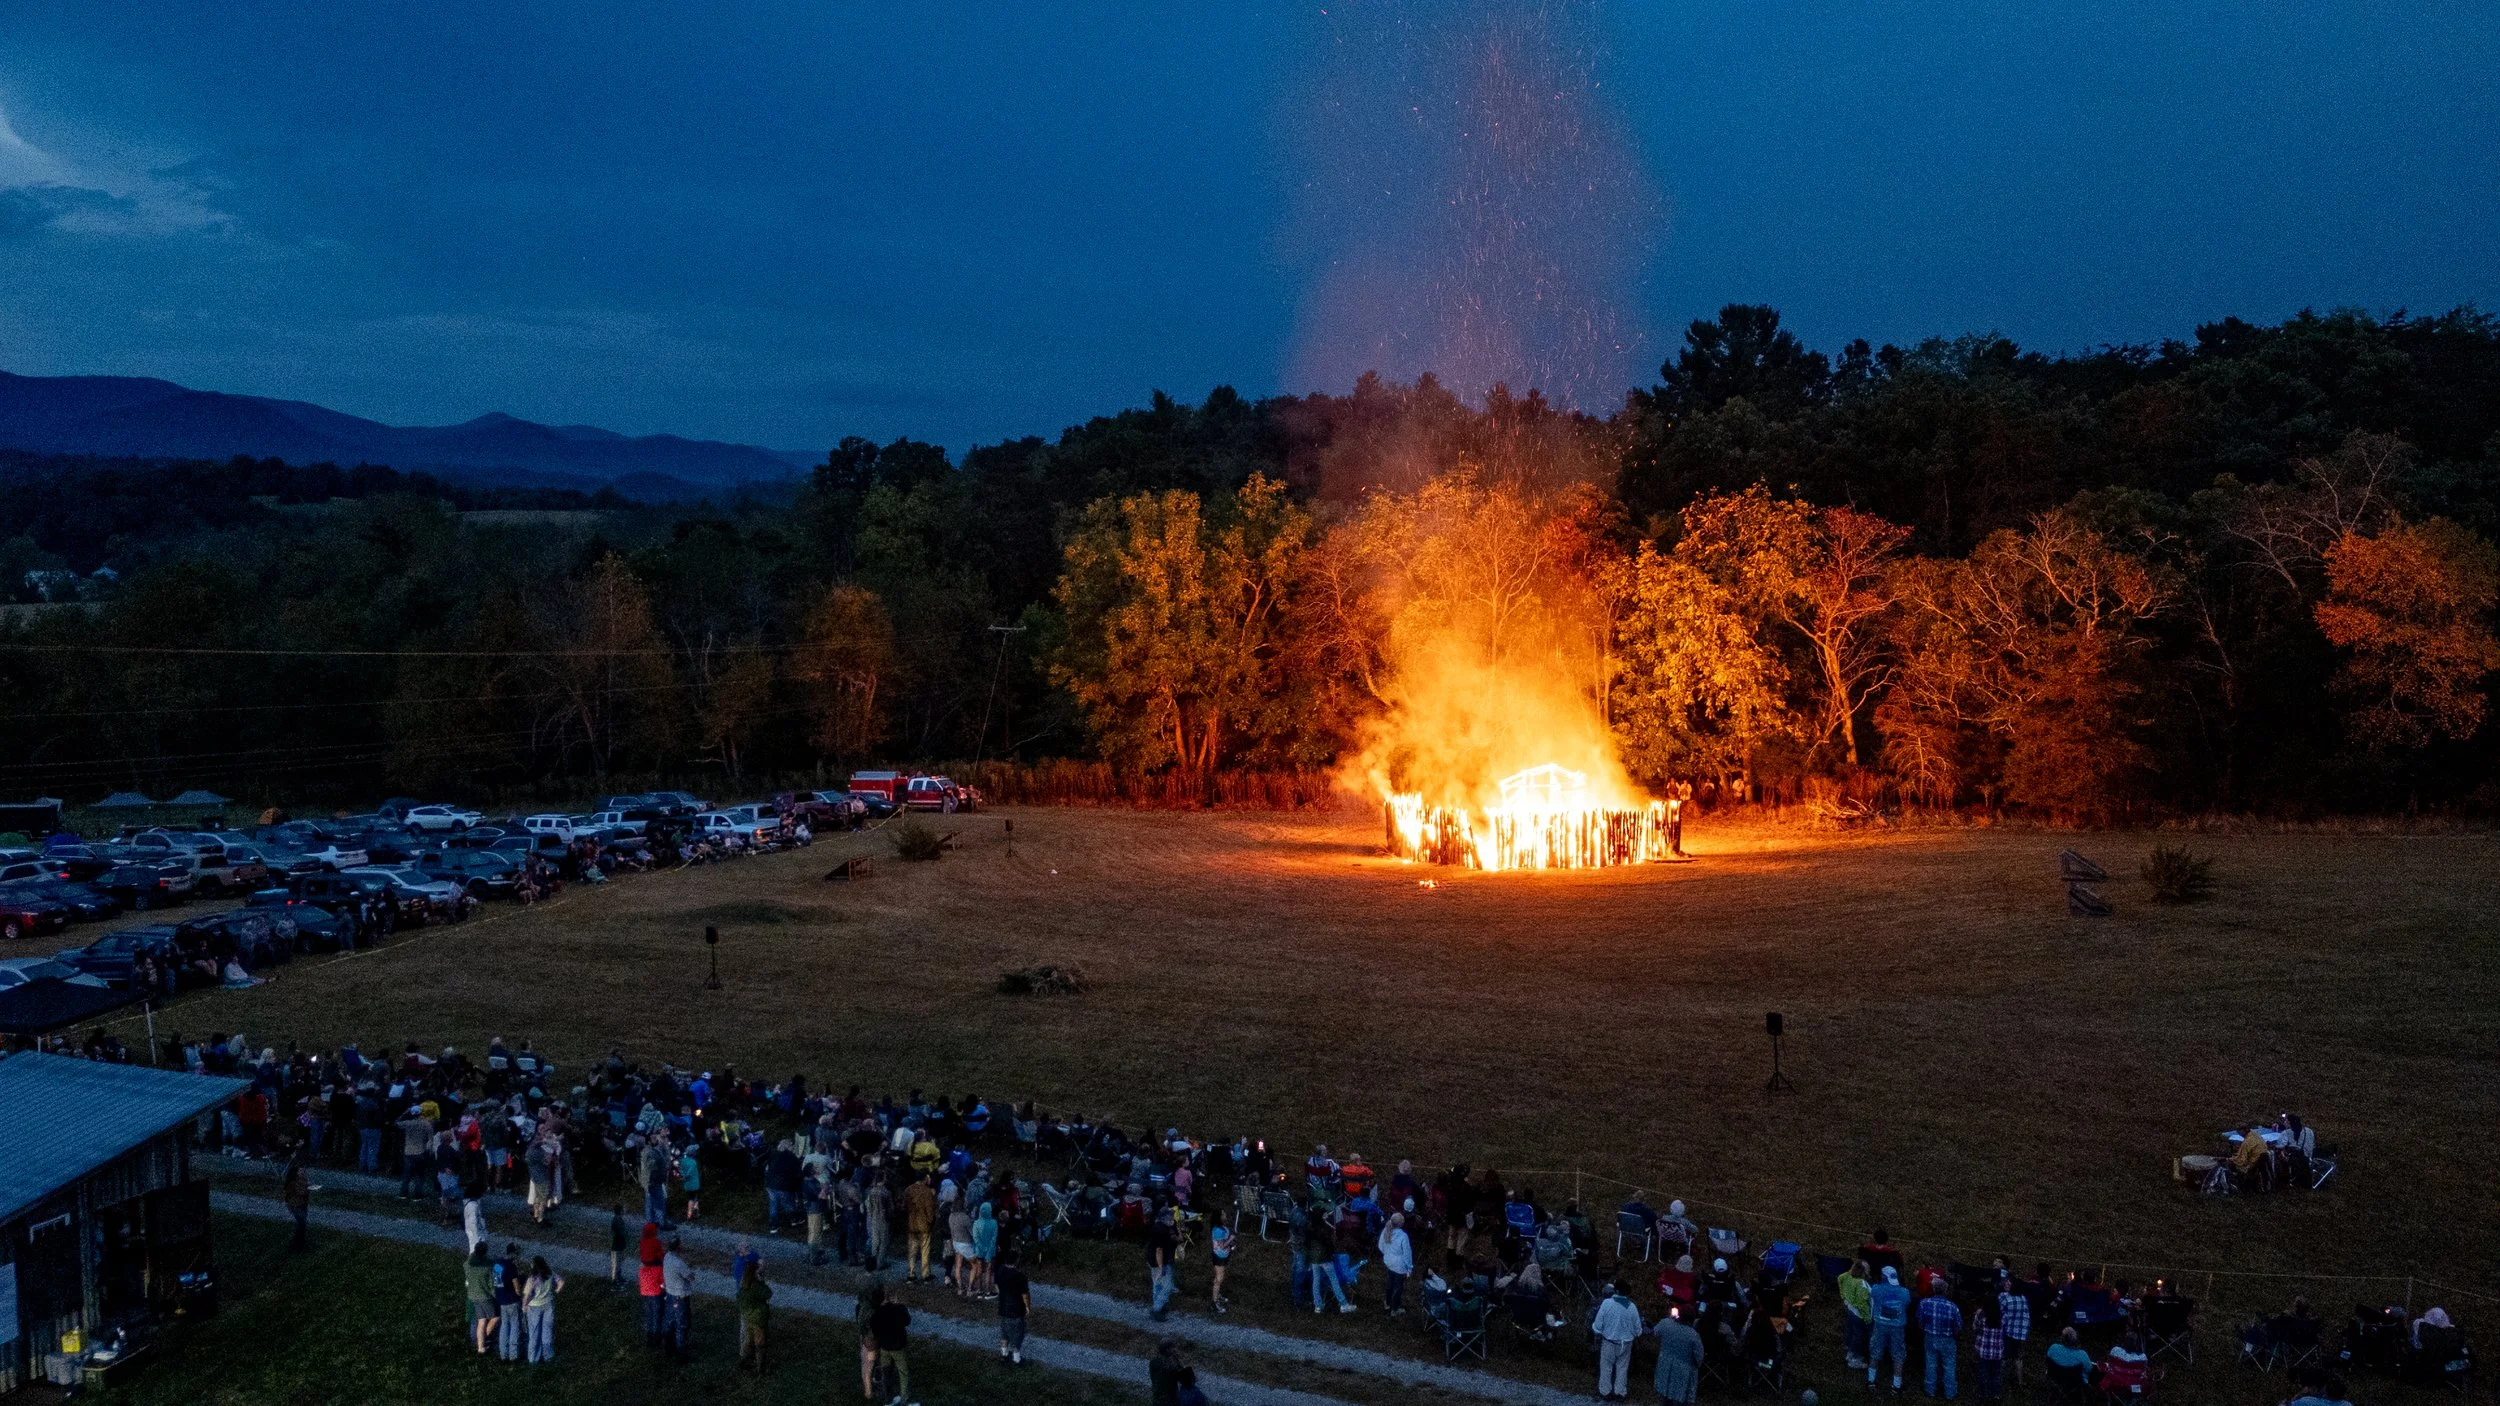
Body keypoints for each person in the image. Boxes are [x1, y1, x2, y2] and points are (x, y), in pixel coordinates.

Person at [1593, 1281, 1644, 1402]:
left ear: (1615, 1290)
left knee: (1606, 1368)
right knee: (1622, 1368)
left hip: (1609, 1342)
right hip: (1626, 1344)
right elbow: (1638, 1330)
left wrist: (1597, 1331)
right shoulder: (1632, 1307)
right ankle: (1620, 1392)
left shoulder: (1607, 1303)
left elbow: (1597, 1325)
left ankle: (1605, 1392)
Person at [1868, 1265, 1912, 1391]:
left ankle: (1871, 1380)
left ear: (1883, 1276)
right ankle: (1896, 1386)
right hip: (1897, 1327)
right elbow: (1907, 1303)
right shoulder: (1904, 1292)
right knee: (1898, 1355)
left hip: (1880, 1325)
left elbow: (1872, 1297)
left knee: (1875, 1351)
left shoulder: (1876, 1289)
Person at [867, 1286, 913, 1405]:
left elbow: (875, 1332)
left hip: (884, 1347)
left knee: (886, 1373)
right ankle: (905, 1399)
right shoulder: (898, 1309)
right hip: (898, 1347)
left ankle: (887, 1399)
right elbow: (907, 1321)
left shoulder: (875, 1314)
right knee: (903, 1373)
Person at [1918, 1276, 1962, 1398]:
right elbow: (1958, 1327)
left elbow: (1920, 1323)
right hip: (1948, 1339)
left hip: (1930, 1337)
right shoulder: (1953, 1307)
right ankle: (1950, 1393)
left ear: (1933, 1289)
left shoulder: (1924, 1303)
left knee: (1930, 1363)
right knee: (1949, 1365)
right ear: (1946, 1291)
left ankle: (1929, 1390)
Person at [1654, 1305, 1706, 1404]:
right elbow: (1699, 1357)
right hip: (1683, 1370)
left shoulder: (1666, 1323)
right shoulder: (1693, 1335)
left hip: (1665, 1365)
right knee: (1680, 1397)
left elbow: (1655, 1332)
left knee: (1666, 1397)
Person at [523, 1254, 563, 1362]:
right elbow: (560, 1282)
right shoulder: (550, 1273)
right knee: (547, 1331)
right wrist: (556, 1291)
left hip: (534, 1306)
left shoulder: (532, 1279)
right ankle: (548, 1356)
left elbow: (527, 1295)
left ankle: (533, 1359)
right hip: (548, 1303)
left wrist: (524, 1306)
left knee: (534, 1333)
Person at [660, 1236, 694, 1362]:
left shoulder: (667, 1257)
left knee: (669, 1322)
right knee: (681, 1325)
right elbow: (690, 1277)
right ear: (679, 1247)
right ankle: (681, 1355)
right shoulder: (679, 1263)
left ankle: (668, 1349)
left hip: (669, 1295)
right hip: (680, 1297)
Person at [996, 1247, 1031, 1365]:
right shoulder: (1020, 1276)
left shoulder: (1000, 1270)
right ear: (1016, 1261)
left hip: (1003, 1308)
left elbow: (997, 1286)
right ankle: (1017, 1359)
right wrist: (1027, 1307)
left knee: (1004, 1333)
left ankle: (1004, 1355)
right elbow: (1025, 1295)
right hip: (1016, 1310)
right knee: (1017, 1335)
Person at [737, 1261, 773, 1372]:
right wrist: (762, 1282)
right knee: (760, 1344)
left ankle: (744, 1361)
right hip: (758, 1319)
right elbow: (768, 1293)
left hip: (747, 1318)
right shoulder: (756, 1286)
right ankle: (760, 1368)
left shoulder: (743, 1285)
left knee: (748, 1341)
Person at [1147, 1204, 1180, 1320]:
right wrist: (1161, 1268)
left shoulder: (1161, 1226)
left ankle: (1158, 1307)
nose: (1172, 1217)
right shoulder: (1161, 1230)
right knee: (1167, 1287)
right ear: (1164, 1217)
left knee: (1157, 1285)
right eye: (1170, 1215)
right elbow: (1159, 1250)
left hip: (1156, 1260)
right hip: (1160, 1261)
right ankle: (1157, 1310)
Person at [495, 1241, 526, 1361]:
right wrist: (521, 1295)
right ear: (514, 1253)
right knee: (514, 1326)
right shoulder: (511, 1266)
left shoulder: (497, 1264)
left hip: (501, 1299)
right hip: (512, 1300)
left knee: (504, 1326)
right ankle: (513, 1355)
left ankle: (503, 1353)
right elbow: (517, 1287)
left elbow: (497, 1282)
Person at [1839, 1257, 1873, 1368]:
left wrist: (1843, 1296)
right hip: (1859, 1315)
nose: (1869, 1270)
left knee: (1851, 1332)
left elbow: (1840, 1278)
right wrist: (1868, 1319)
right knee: (1858, 1336)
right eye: (1867, 1269)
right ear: (1862, 1271)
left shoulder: (1848, 1276)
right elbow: (1862, 1304)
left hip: (1850, 1310)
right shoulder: (1861, 1284)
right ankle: (1854, 1359)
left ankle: (1849, 1352)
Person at [904, 1174, 938, 1283]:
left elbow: (904, 1206)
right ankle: (925, 1274)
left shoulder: (908, 1190)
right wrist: (931, 1221)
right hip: (924, 1225)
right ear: (925, 1179)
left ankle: (911, 1273)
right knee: (925, 1250)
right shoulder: (927, 1192)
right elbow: (930, 1210)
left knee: (912, 1250)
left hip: (912, 1223)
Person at [465, 1242, 498, 1355]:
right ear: (485, 1252)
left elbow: (466, 1263)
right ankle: (484, 1338)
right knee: (495, 1318)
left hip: (473, 1295)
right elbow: (492, 1284)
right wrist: (496, 1296)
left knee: (481, 1320)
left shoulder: (468, 1264)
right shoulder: (488, 1266)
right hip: (485, 1296)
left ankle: (481, 1347)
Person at [1378, 1211, 1413, 1316]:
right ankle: (1395, 1308)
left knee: (1390, 1283)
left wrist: (1387, 1253)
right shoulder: (1403, 1236)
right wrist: (1409, 1267)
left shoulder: (1386, 1230)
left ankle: (1387, 1303)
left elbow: (1380, 1245)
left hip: (1389, 1262)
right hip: (1399, 1266)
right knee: (1398, 1287)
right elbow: (1407, 1253)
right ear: (1401, 1224)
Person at [638, 1222, 667, 1346]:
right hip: (656, 1292)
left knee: (649, 1313)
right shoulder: (658, 1268)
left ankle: (649, 1336)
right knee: (657, 1314)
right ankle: (657, 1337)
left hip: (645, 1291)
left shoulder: (642, 1269)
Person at [1971, 1302, 2006, 1402]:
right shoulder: (2003, 1317)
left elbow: (1975, 1329)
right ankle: (1995, 1395)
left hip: (1983, 1351)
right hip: (1998, 1352)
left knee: (1983, 1374)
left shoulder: (1980, 1316)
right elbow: (2006, 1330)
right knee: (1996, 1374)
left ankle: (1983, 1395)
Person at [283, 1153, 313, 1249]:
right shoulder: (293, 1183)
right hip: (296, 1205)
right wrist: (308, 1188)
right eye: (301, 1171)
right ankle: (295, 1242)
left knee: (302, 1223)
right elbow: (300, 1192)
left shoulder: (303, 1180)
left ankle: (299, 1241)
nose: (304, 1172)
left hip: (302, 1204)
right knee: (300, 1223)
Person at [971, 1201, 1000, 1299]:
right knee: (988, 1272)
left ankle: (979, 1291)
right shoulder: (994, 1223)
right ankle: (987, 1292)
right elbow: (993, 1239)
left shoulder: (976, 1223)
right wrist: (988, 1252)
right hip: (990, 1252)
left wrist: (982, 1248)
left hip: (979, 1251)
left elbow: (976, 1238)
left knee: (979, 1271)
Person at [1207, 1221, 1235, 1313]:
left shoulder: (1222, 1226)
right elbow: (1222, 1246)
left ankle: (1217, 1295)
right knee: (1219, 1279)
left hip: (1222, 1256)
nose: (1225, 1215)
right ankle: (1214, 1303)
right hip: (1219, 1257)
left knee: (1218, 1278)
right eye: (1223, 1214)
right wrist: (1231, 1239)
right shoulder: (1218, 1230)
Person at [1150, 1337, 1184, 1406]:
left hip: (1157, 1397)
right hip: (1169, 1399)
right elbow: (1181, 1375)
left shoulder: (1154, 1361)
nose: (1174, 1349)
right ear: (1167, 1349)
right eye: (1172, 1347)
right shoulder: (1171, 1363)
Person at [609, 1205, 629, 1289]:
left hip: (619, 1245)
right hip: (616, 1246)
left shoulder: (618, 1219)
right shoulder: (617, 1220)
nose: (624, 1211)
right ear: (620, 1211)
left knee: (618, 1263)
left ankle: (618, 1278)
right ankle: (614, 1282)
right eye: (623, 1209)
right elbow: (620, 1233)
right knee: (616, 1264)